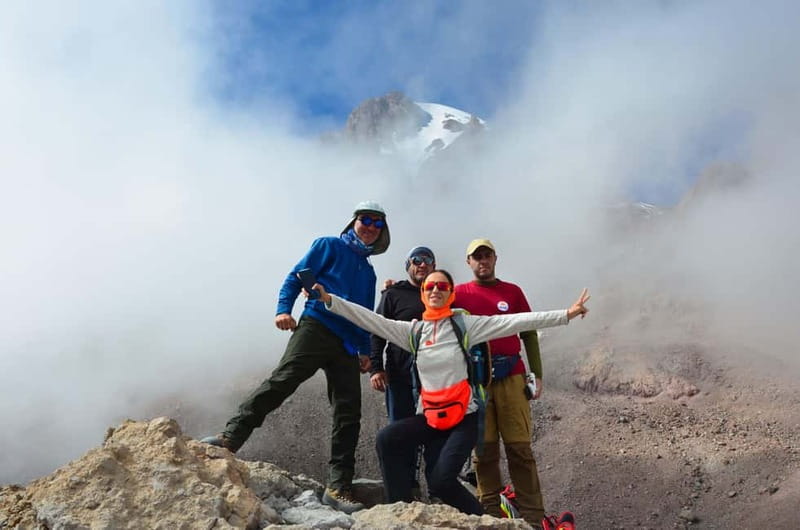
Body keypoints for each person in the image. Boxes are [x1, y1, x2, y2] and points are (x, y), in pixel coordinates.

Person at [307, 269, 590, 515]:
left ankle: (484, 521)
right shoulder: (413, 332)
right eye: (430, 286)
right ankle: (400, 509)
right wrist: (329, 300)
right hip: (430, 417)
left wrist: (567, 314)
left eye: (443, 286)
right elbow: (370, 320)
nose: (436, 290)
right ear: (423, 294)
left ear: (451, 294)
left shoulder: (464, 325)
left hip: (463, 418)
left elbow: (516, 321)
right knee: (387, 439)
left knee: (441, 481)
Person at [201, 200, 390, 514]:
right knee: (285, 379)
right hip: (316, 325)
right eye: (365, 219)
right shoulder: (328, 245)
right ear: (353, 222)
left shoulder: (369, 273)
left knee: (348, 413)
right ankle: (231, 437)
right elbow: (295, 276)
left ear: (382, 232)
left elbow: (361, 315)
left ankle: (338, 488)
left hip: (345, 344)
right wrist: (283, 310)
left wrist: (364, 352)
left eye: (377, 223)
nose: (370, 226)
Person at [455, 238, 547, 523]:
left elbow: (529, 332)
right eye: (476, 257)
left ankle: (533, 518)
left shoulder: (513, 292)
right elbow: (428, 305)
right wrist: (392, 288)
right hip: (477, 382)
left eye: (487, 256)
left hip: (512, 377)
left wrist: (537, 374)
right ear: (468, 262)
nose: (482, 261)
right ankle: (490, 515)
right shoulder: (457, 294)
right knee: (484, 452)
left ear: (495, 259)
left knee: (520, 449)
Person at [369, 246, 436, 421]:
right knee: (400, 430)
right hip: (400, 373)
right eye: (416, 260)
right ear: (408, 265)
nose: (422, 264)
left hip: (435, 373)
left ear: (433, 267)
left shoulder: (441, 294)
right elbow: (378, 330)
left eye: (428, 260)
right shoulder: (393, 294)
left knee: (435, 429)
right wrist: (376, 369)